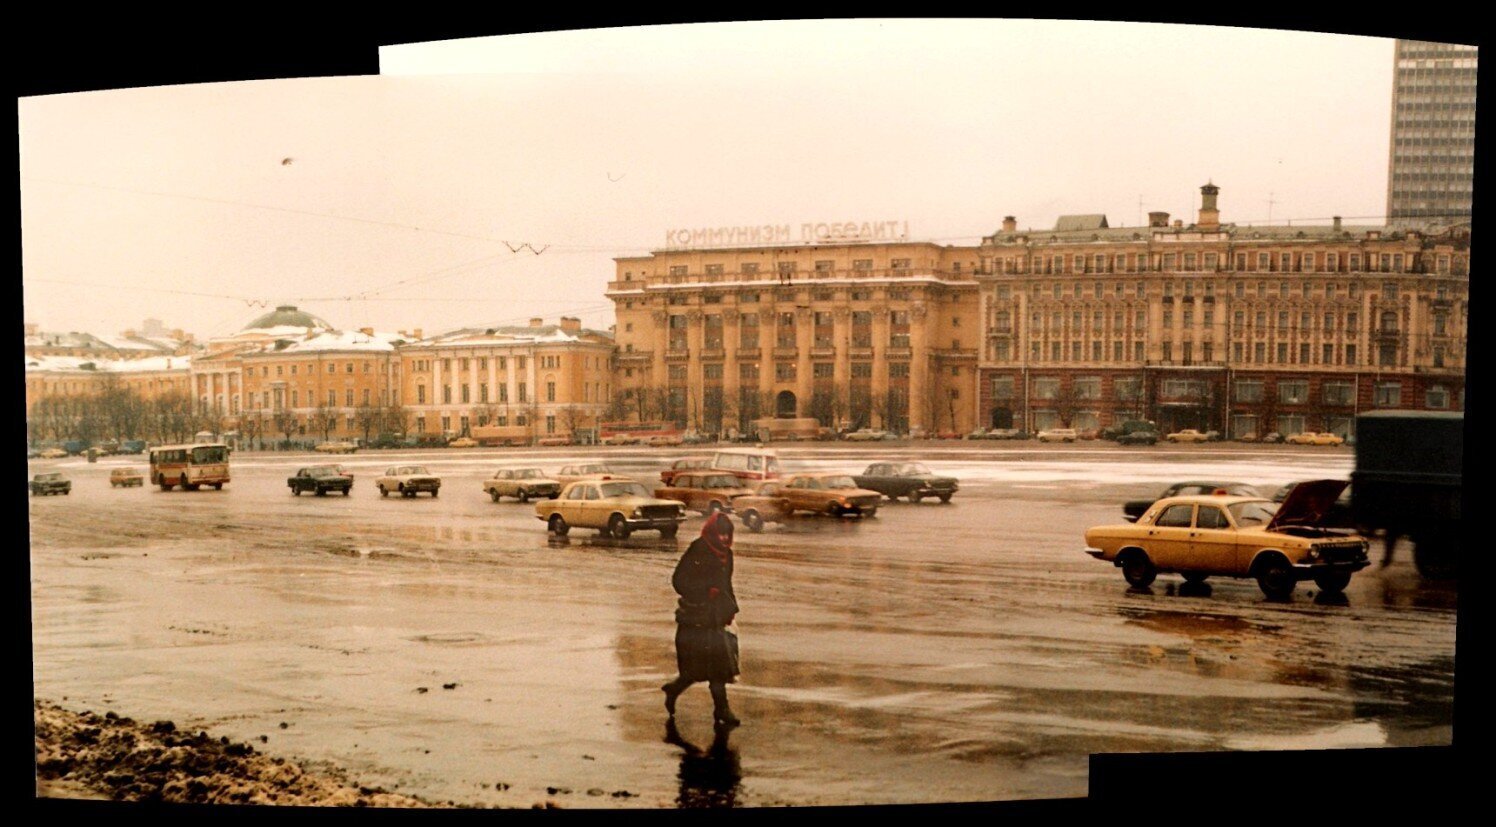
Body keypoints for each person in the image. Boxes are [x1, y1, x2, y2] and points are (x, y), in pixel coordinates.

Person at [662, 511, 741, 728]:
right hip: (694, 619)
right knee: (694, 671)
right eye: (721, 534)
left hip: (715, 618)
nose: (724, 539)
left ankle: (722, 709)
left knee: (719, 668)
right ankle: (674, 689)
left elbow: (726, 584)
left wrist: (731, 607)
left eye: (728, 535)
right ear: (712, 533)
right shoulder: (699, 549)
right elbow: (679, 581)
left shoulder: (728, 554)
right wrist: (705, 591)